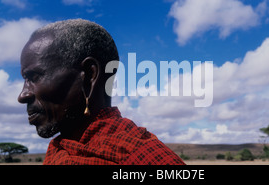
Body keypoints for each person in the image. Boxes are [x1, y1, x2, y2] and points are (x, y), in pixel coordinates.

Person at [17, 19, 185, 165]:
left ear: (89, 75)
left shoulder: (143, 156)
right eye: (25, 79)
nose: (22, 95)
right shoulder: (58, 149)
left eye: (34, 77)